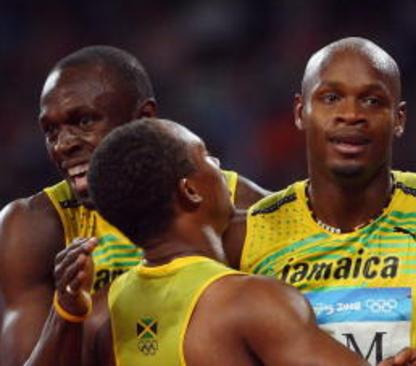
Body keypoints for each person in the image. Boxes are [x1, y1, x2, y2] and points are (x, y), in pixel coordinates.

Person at [0, 46, 268, 365]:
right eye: (51, 130)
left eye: (84, 121)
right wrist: (67, 311)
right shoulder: (32, 226)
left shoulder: (228, 198)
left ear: (143, 118)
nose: (63, 144)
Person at [237, 37, 416, 366]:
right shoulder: (247, 237)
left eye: (372, 101)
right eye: (330, 98)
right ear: (301, 112)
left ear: (399, 119)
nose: (351, 114)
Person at [53, 117, 364, 365]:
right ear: (190, 190)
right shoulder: (253, 301)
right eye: (204, 156)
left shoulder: (98, 315)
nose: (216, 162)